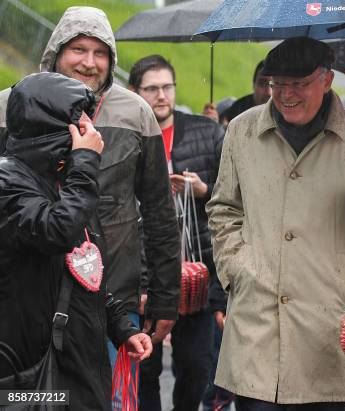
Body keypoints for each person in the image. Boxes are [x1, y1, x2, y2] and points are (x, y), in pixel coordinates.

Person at [205, 37, 345, 410]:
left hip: (326, 333)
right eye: (277, 84)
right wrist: (237, 268)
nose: (286, 95)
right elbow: (223, 208)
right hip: (257, 326)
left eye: (299, 84)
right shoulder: (242, 131)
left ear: (327, 79)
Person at [0, 6, 182, 366]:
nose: (89, 62)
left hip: (112, 301)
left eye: (100, 53)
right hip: (23, 298)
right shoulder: (11, 105)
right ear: (55, 54)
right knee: (29, 396)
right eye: (78, 50)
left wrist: (165, 297)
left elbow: (160, 211)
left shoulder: (136, 113)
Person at [0, 72, 152, 410]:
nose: (90, 128)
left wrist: (122, 328)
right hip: (31, 377)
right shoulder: (8, 181)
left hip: (77, 368)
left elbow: (85, 266)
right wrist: (84, 163)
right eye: (78, 118)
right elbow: (57, 231)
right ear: (49, 126)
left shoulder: (63, 181)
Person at [128, 54, 224, 411]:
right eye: (151, 88)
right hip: (146, 274)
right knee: (144, 367)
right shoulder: (127, 134)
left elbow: (235, 194)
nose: (161, 95)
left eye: (167, 86)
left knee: (197, 364)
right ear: (134, 91)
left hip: (197, 271)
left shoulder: (207, 131)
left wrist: (203, 191)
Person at [220, 60, 271, 125]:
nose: (269, 92)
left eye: (274, 84)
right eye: (262, 83)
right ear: (253, 85)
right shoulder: (237, 112)